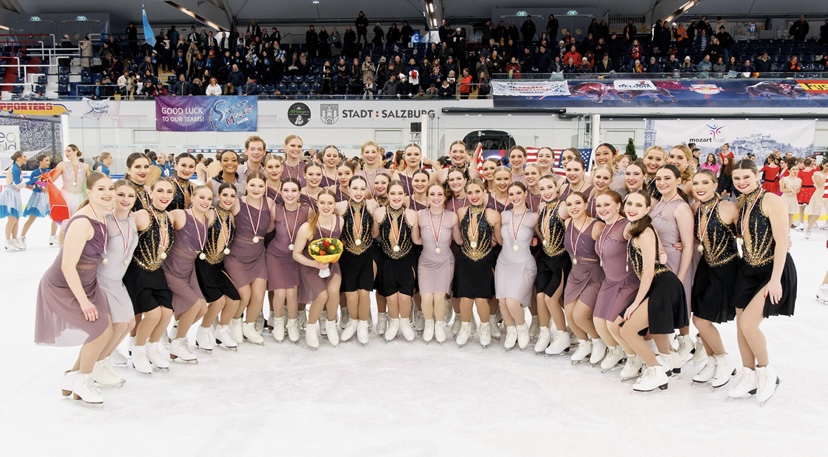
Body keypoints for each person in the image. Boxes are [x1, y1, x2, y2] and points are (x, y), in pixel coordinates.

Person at [34, 172, 114, 405]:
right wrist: (84, 301)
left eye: (110, 188)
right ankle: (83, 378)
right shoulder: (82, 222)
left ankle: (73, 377)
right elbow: (68, 267)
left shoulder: (102, 216)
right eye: (101, 189)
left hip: (87, 281)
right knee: (98, 329)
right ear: (89, 193)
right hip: (63, 284)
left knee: (106, 328)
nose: (107, 193)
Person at [728, 160, 797, 403]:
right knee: (740, 324)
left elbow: (781, 242)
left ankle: (766, 371)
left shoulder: (771, 200)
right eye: (737, 179)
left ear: (757, 175)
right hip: (747, 269)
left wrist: (775, 280)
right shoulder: (742, 202)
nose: (741, 182)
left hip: (771, 270)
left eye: (746, 177)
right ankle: (748, 374)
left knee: (748, 323)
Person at [617, 190, 689, 391]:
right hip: (657, 284)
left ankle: (655, 370)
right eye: (629, 203)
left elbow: (648, 272)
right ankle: (667, 361)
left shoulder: (645, 231)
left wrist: (635, 303)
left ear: (648, 209)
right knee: (649, 329)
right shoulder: (637, 228)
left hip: (662, 283)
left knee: (627, 329)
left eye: (639, 205)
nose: (632, 208)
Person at [689, 170, 739, 387]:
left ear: (715, 184)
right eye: (696, 183)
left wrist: (783, 239)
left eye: (705, 183)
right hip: (705, 267)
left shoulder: (727, 208)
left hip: (726, 268)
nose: (700, 187)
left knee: (702, 320)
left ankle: (723, 359)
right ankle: (712, 361)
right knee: (698, 318)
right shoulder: (696, 208)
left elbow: (748, 232)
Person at [123, 178, 176, 375]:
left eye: (169, 192)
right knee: (153, 314)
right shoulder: (142, 215)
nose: (165, 195)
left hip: (156, 271)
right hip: (137, 272)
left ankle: (153, 348)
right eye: (160, 191)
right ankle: (138, 351)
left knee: (167, 312)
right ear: (150, 193)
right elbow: (120, 231)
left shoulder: (169, 217)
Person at [93, 180, 140, 384]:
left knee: (129, 323)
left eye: (130, 196)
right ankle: (94, 365)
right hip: (101, 280)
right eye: (121, 194)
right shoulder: (104, 220)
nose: (125, 199)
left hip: (117, 280)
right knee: (115, 325)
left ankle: (102, 362)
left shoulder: (131, 221)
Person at [162, 186, 212, 361]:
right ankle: (178, 342)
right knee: (193, 305)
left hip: (188, 269)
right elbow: (159, 216)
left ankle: (177, 331)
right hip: (171, 268)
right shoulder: (179, 214)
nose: (205, 201)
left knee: (203, 308)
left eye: (209, 199)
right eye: (202, 197)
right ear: (193, 198)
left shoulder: (207, 219)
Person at [225, 171, 274, 345]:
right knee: (244, 295)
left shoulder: (269, 203)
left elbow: (271, 227)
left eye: (261, 185)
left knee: (259, 295)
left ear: (265, 187)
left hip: (258, 254)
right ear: (246, 186)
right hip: (237, 255)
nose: (256, 189)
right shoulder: (237, 203)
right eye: (252, 185)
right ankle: (235, 321)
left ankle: (249, 326)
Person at [594, 191, 640, 372]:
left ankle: (633, 357)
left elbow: (647, 236)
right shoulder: (604, 226)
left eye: (607, 205)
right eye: (599, 205)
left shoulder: (626, 226)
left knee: (613, 325)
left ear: (618, 206)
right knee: (598, 322)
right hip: (609, 281)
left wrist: (661, 250)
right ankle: (615, 351)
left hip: (627, 282)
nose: (602, 209)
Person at [454, 179, 502, 346]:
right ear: (465, 194)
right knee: (465, 298)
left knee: (482, 298)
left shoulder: (493, 214)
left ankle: (485, 327)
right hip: (465, 259)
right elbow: (459, 237)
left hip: (485, 260)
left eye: (477, 191)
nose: (474, 196)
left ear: (484, 193)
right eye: (470, 192)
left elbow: (500, 238)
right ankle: (465, 327)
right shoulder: (460, 212)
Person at [293, 189, 343, 348]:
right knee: (321, 296)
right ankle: (311, 327)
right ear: (317, 203)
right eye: (322, 203)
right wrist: (315, 264)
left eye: (330, 203)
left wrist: (334, 257)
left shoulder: (340, 221)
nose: (326, 206)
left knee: (334, 292)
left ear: (335, 204)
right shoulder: (307, 227)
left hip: (331, 265)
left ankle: (330, 324)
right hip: (311, 266)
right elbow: (296, 254)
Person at [372, 181, 421, 343]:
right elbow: (375, 235)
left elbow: (416, 239)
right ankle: (393, 322)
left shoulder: (412, 214)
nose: (396, 197)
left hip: (407, 259)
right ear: (387, 194)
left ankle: (405, 322)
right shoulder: (379, 213)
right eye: (393, 193)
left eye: (400, 193)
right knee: (391, 297)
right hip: (387, 259)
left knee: (405, 297)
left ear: (405, 195)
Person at [194, 183, 240, 350]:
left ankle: (222, 330)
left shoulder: (231, 217)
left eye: (232, 196)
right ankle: (203, 332)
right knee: (218, 301)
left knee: (234, 299)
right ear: (218, 196)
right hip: (203, 264)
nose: (228, 199)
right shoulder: (209, 214)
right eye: (225, 195)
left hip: (219, 264)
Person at [561, 191, 606, 363]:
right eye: (570, 204)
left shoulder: (596, 226)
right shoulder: (567, 223)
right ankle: (583, 343)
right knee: (570, 313)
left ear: (586, 204)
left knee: (580, 314)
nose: (573, 207)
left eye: (577, 203)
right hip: (575, 272)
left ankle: (598, 341)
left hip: (594, 273)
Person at [267, 178, 312, 343]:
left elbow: (313, 233)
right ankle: (278, 322)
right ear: (281, 191)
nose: (290, 194)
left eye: (294, 190)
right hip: (276, 255)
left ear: (300, 192)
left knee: (292, 292)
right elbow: (268, 229)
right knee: (279, 292)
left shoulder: (307, 211)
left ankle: (292, 324)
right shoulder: (275, 210)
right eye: (286, 190)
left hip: (296, 256)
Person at [336, 175, 379, 345]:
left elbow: (375, 232)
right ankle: (353, 322)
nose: (359, 192)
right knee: (351, 293)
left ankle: (362, 324)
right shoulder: (339, 207)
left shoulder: (372, 205)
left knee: (364, 292)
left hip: (367, 254)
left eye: (363, 189)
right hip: (347, 256)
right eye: (355, 188)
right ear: (348, 189)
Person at [496, 182, 538, 350]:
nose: (515, 197)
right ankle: (511, 330)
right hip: (504, 261)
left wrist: (536, 240)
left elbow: (542, 237)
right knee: (502, 301)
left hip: (524, 263)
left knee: (513, 302)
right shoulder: (504, 215)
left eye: (518, 193)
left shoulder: (533, 216)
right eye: (511, 194)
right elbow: (499, 239)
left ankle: (521, 328)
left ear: (525, 193)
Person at [417, 183, 460, 343]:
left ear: (444, 197)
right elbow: (416, 239)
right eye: (432, 194)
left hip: (445, 261)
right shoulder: (420, 215)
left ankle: (440, 325)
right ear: (427, 197)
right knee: (427, 297)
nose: (436, 198)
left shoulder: (452, 216)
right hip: (426, 262)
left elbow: (458, 239)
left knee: (440, 297)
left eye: (439, 195)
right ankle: (429, 324)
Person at [20, 154, 59, 247]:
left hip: (49, 196)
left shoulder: (51, 171)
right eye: (46, 160)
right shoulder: (35, 172)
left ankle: (53, 236)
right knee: (32, 218)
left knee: (56, 216)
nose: (48, 162)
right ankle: (21, 237)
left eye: (49, 160)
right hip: (37, 197)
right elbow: (30, 186)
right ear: (40, 161)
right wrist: (39, 187)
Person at [51, 144, 92, 216]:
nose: (66, 154)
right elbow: (51, 179)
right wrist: (41, 180)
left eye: (68, 151)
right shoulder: (62, 165)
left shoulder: (85, 166)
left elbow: (92, 183)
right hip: (65, 197)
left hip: (80, 198)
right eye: (65, 152)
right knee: (62, 219)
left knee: (78, 219)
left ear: (75, 151)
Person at [1, 151, 27, 250]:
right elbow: (17, 184)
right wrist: (31, 182)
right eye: (24, 156)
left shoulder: (18, 168)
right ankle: (7, 241)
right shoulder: (15, 168)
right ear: (18, 158)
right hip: (10, 194)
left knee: (16, 219)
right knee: (12, 219)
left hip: (15, 193)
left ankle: (14, 240)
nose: (26, 158)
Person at [803, 162, 828, 238]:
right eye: (826, 165)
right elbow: (819, 184)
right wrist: (825, 176)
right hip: (819, 195)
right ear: (823, 165)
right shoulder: (817, 174)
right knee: (816, 214)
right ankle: (809, 229)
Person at [779, 162, 801, 228]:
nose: (795, 171)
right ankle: (782, 229)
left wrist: (795, 192)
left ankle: (788, 231)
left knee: (791, 215)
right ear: (789, 171)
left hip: (793, 199)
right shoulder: (784, 179)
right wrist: (790, 190)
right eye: (793, 169)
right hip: (785, 199)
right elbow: (782, 189)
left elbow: (798, 190)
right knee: (784, 215)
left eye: (797, 169)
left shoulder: (799, 180)